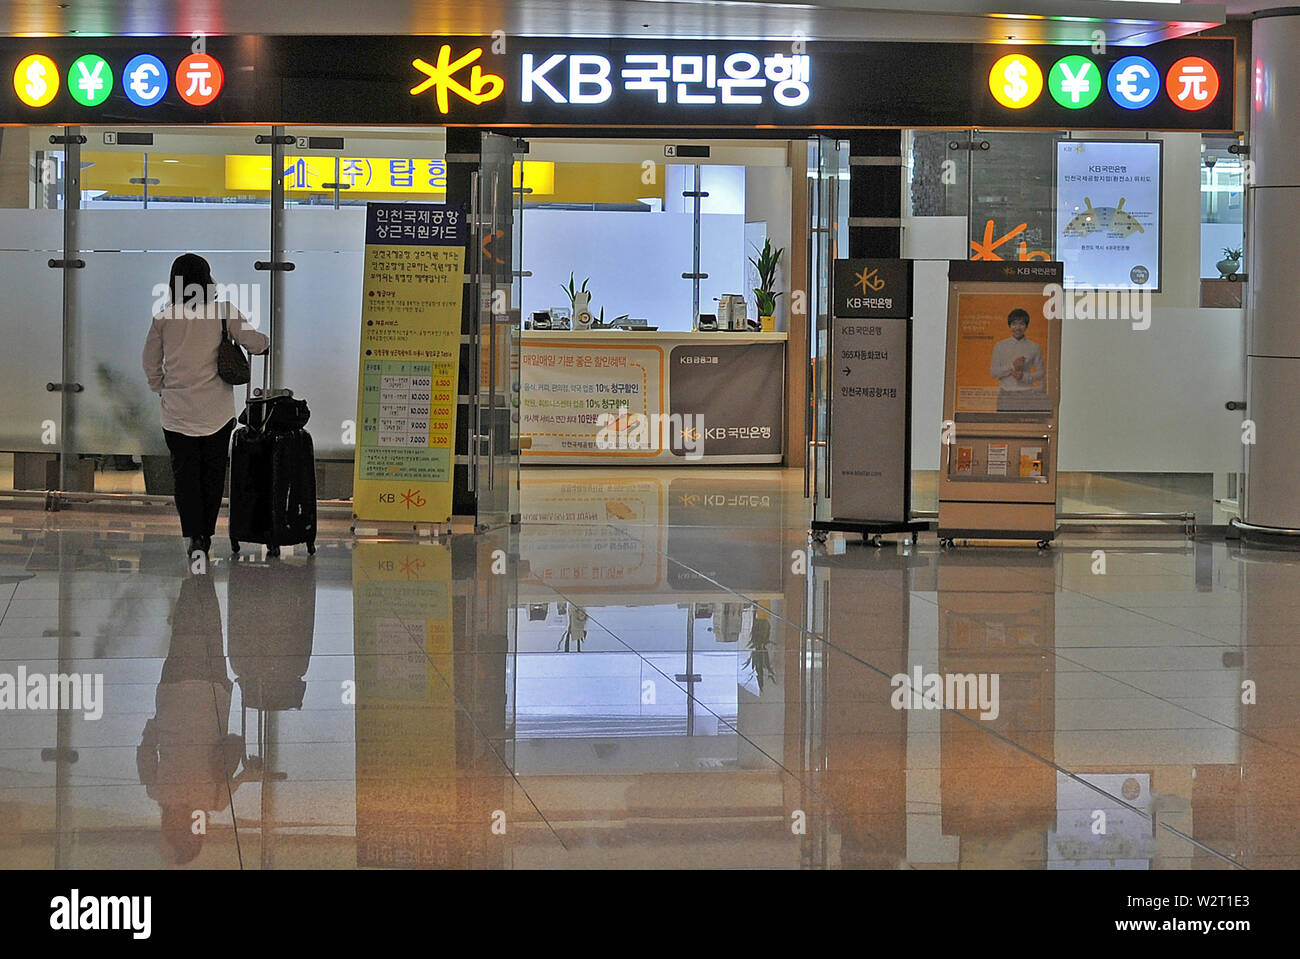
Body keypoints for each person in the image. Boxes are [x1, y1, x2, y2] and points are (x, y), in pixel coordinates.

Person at [142, 254, 268, 557]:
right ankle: (206, 535)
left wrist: (160, 387)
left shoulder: (164, 317)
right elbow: (255, 343)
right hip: (217, 412)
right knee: (212, 475)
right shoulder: (223, 311)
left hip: (176, 413)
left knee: (185, 476)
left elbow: (150, 361)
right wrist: (264, 341)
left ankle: (193, 536)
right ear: (206, 279)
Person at [988, 308, 1046, 411]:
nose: (1018, 327)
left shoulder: (1034, 347)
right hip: (1005, 395)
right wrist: (1012, 366)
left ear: (1026, 326)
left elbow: (1041, 373)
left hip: (1027, 396)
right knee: (1004, 426)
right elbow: (993, 372)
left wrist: (1024, 376)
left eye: (1021, 324)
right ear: (1009, 325)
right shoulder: (1000, 346)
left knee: (1026, 427)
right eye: (1014, 324)